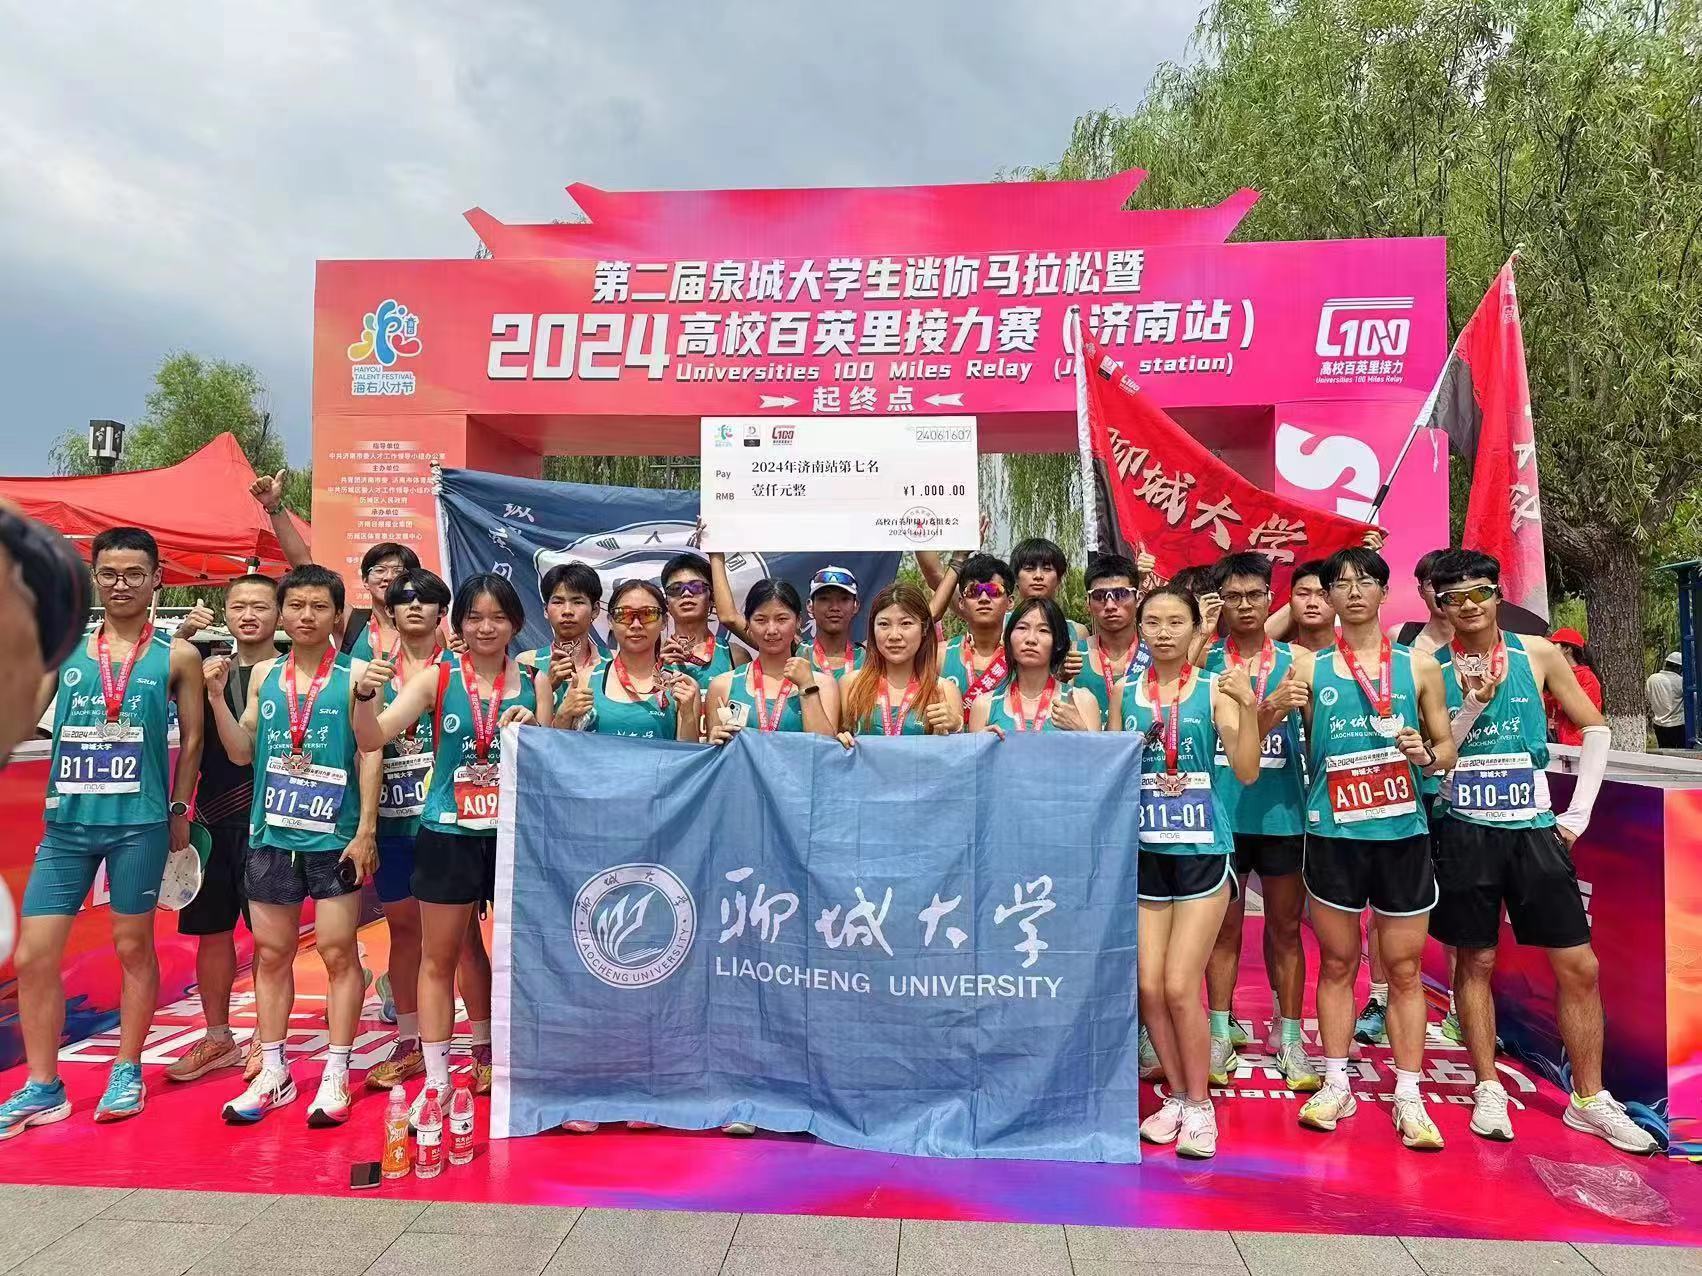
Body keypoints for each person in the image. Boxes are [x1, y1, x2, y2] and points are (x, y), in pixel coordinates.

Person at [1429, 549, 1656, 1153]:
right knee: (1475, 960)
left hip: (1533, 829)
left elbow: (1596, 727)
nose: (1468, 606)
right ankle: (1486, 1086)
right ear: (1440, 605)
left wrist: (1576, 815)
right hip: (1465, 828)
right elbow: (1435, 750)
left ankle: (1589, 1098)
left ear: (1497, 594)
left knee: (1579, 965)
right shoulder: (1428, 667)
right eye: (1454, 598)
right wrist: (1473, 703)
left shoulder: (1539, 654)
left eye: (1479, 593)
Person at [0, 528, 205, 1140]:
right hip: (67, 827)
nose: (121, 584)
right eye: (110, 573)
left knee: (132, 948)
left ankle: (127, 1069)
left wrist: (179, 808)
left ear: (156, 579)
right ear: (94, 577)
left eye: (134, 573)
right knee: (34, 956)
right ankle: (44, 1085)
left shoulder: (177, 657)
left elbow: (194, 740)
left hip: (138, 826)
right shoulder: (64, 651)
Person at [1291, 547, 1456, 1150]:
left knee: (1405, 969)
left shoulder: (1420, 667)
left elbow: (1446, 751)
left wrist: (1425, 753)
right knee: (1338, 963)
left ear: (1386, 592)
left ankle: (1409, 1093)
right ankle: (1336, 1081)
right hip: (1333, 834)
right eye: (1341, 583)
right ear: (1328, 596)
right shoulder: (1308, 668)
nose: (1354, 591)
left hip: (1401, 835)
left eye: (1366, 581)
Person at [355, 574, 537, 1121]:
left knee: (522, 956)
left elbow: (553, 751)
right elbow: (372, 737)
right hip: (449, 833)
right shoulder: (436, 679)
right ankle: (435, 1081)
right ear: (457, 625)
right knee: (439, 958)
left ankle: (493, 1056)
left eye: (497, 617)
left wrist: (538, 722)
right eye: (474, 617)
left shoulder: (534, 682)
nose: (486, 627)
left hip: (514, 837)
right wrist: (363, 698)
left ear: (515, 624)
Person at [205, 564, 378, 1127]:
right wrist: (216, 699)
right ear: (282, 613)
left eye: (319, 607)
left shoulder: (355, 675)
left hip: (334, 839)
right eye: (296, 606)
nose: (306, 616)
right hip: (272, 835)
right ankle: (274, 1070)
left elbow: (370, 750)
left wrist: (365, 831)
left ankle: (336, 1071)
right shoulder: (264, 676)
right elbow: (241, 751)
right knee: (273, 954)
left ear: (336, 615)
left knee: (337, 952)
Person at [1109, 585, 1260, 1160]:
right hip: (1147, 853)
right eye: (1153, 622)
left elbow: (1246, 770)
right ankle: (1175, 1096)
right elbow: (1114, 771)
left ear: (1197, 628)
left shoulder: (1214, 690)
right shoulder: (1125, 693)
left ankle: (1201, 1105)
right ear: (1140, 629)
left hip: (1202, 852)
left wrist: (1249, 707)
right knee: (1149, 987)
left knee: (1178, 985)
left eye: (1176, 621)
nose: (1164, 632)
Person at [1201, 553, 1318, 1093]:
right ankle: (1219, 1032)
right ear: (1219, 603)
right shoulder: (1206, 664)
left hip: (1283, 813)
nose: (1245, 606)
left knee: (1285, 929)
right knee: (1223, 931)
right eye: (1233, 596)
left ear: (1271, 599)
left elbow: (1322, 739)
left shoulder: (1301, 661)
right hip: (1221, 814)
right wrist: (1268, 707)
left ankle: (1289, 1035)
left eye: (1254, 595)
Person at [166, 574, 278, 1085]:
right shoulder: (201, 665)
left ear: (279, 613)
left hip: (267, 823)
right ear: (225, 612)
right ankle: (218, 1037)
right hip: (211, 820)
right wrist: (181, 639)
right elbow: (150, 686)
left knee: (270, 940)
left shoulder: (291, 673)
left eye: (260, 605)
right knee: (212, 935)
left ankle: (267, 1037)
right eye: (238, 606)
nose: (248, 615)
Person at [364, 568, 453, 1092]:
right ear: (390, 612)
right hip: (394, 820)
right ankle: (409, 1039)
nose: (415, 607)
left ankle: (477, 1042)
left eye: (426, 600)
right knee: (403, 930)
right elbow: (366, 746)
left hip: (451, 823)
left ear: (442, 611)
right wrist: (365, 827)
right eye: (404, 600)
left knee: (458, 937)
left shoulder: (461, 668)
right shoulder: (374, 672)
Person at [552, 579, 702, 742]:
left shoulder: (682, 687)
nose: (636, 624)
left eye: (648, 614)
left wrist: (687, 715)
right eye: (624, 614)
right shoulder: (585, 680)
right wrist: (563, 716)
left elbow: (689, 755)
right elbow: (560, 748)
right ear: (610, 621)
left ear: (664, 621)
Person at [705, 580, 839, 746]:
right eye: (761, 620)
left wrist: (807, 688)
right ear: (748, 623)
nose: (771, 630)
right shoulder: (723, 685)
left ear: (798, 621)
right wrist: (714, 744)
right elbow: (716, 756)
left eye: (781, 619)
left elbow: (825, 750)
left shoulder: (823, 684)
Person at [836, 582, 963, 739]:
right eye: (884, 624)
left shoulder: (944, 690)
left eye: (906, 623)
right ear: (872, 628)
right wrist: (840, 740)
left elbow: (958, 751)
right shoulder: (851, 685)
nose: (894, 635)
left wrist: (956, 727)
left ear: (924, 628)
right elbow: (834, 746)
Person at [969, 597, 1101, 735]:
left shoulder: (1083, 701)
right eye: (1022, 628)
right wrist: (982, 742)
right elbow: (974, 750)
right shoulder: (984, 705)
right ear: (1008, 638)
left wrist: (1081, 731)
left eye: (1043, 630)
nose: (1031, 639)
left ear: (1058, 642)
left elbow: (1098, 750)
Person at [1071, 554, 1151, 727]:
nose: (1110, 606)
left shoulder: (1157, 654)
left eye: (1120, 594)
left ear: (1138, 598)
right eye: (1099, 596)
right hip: (1088, 744)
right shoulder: (1073, 655)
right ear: (1088, 603)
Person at [937, 553, 1016, 724]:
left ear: (1010, 602)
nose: (984, 599)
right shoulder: (940, 655)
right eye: (974, 591)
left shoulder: (1023, 655)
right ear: (961, 602)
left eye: (994, 591)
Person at [521, 562, 606, 717]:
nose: (567, 611)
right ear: (545, 610)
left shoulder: (614, 662)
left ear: (595, 610)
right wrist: (547, 686)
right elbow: (518, 723)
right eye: (558, 602)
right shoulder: (528, 663)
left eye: (578, 602)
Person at [662, 552, 745, 691]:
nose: (686, 593)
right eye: (675, 589)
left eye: (696, 587)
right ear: (667, 604)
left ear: (712, 598)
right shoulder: (653, 656)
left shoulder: (735, 655)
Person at [1545, 629, 1604, 746]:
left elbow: (1583, 712)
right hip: (1556, 741)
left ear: (1567, 649)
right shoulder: (1556, 675)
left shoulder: (1587, 677)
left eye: (1554, 644)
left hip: (1576, 744)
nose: (1549, 649)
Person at [1390, 550, 1453, 653]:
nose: (1441, 592)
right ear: (1421, 591)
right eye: (1432, 584)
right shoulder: (1399, 636)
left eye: (1448, 583)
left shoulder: (1477, 639)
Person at [1649, 651, 1686, 749]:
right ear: (1678, 667)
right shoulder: (1680, 681)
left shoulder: (1652, 679)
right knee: (1682, 753)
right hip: (1678, 725)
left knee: (1665, 752)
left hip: (1659, 725)